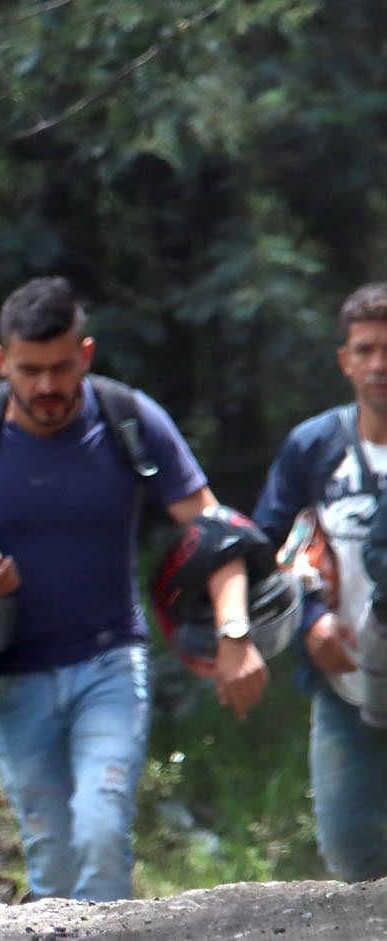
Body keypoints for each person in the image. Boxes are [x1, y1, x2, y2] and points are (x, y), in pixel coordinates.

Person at [0, 276, 266, 902]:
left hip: (109, 662)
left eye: (60, 367)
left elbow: (218, 532)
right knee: (50, 853)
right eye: (30, 370)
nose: (47, 386)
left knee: (102, 834)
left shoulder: (129, 419)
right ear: (2, 362)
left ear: (86, 354)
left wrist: (234, 634)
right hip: (13, 673)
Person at [254, 281, 387, 883]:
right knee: (350, 856)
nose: (380, 365)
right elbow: (264, 551)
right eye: (365, 349)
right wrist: (308, 620)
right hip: (343, 688)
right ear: (345, 360)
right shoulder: (314, 448)